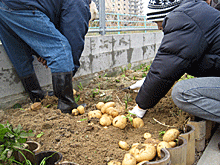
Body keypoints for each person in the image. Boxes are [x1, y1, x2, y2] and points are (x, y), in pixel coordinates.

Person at [129, 0, 220, 125]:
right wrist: (148, 81)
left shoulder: (184, 19)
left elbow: (164, 69)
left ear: (165, 13)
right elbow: (173, 63)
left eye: (157, 21)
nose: (159, 27)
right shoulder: (195, 12)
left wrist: (141, 105)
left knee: (182, 92)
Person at [0, 0, 92, 113]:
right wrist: (70, 68)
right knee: (61, 47)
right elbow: (74, 38)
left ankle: (37, 97)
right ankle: (66, 105)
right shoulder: (80, 3)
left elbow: (38, 29)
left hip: (4, 7)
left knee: (20, 55)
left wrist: (42, 51)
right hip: (22, 5)